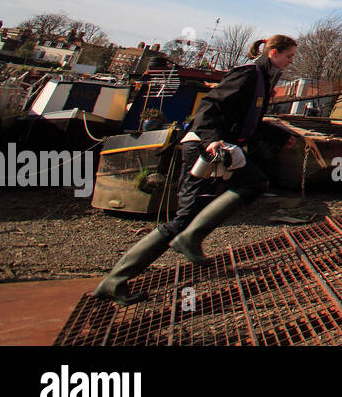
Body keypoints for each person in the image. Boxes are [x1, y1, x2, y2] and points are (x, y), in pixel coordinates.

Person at [95, 34, 297, 305]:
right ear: (273, 53)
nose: (291, 61)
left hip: (221, 149)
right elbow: (208, 108)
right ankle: (117, 279)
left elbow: (247, 120)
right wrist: (211, 139)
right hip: (204, 148)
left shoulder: (263, 78)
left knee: (254, 182)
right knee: (186, 217)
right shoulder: (248, 75)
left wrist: (280, 135)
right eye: (289, 56)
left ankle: (188, 238)